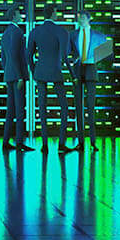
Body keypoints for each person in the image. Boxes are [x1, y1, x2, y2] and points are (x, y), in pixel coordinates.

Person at [26, 19, 76, 150]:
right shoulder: (61, 31)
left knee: (42, 108)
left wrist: (34, 72)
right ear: (53, 13)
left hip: (40, 73)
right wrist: (73, 75)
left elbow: (28, 56)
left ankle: (44, 145)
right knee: (64, 107)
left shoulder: (35, 31)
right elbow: (65, 56)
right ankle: (61, 144)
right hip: (56, 72)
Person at [67, 14, 114, 152]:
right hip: (77, 71)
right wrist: (73, 59)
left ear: (89, 19)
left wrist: (95, 57)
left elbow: (110, 54)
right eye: (78, 18)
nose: (80, 20)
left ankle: (93, 142)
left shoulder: (98, 35)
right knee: (78, 107)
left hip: (91, 70)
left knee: (91, 107)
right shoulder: (72, 35)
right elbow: (67, 52)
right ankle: (81, 142)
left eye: (82, 18)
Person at [0, 16, 31, 152]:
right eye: (19, 14)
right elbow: (14, 55)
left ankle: (6, 141)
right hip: (18, 76)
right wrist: (19, 76)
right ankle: (19, 142)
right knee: (19, 110)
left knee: (10, 110)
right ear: (14, 16)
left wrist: (7, 73)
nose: (21, 16)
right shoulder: (17, 32)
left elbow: (3, 58)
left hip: (9, 75)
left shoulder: (5, 33)